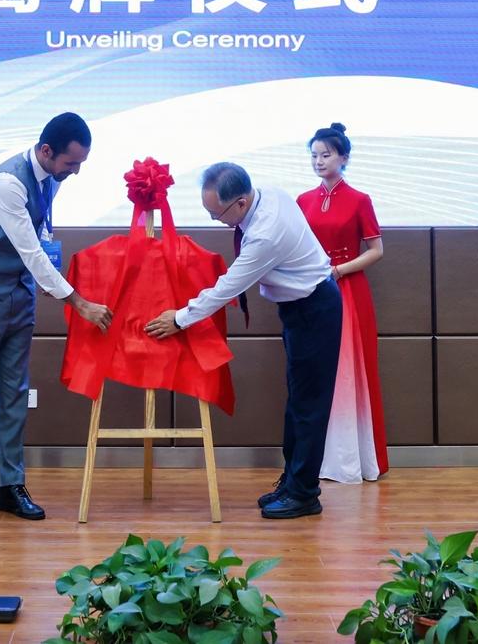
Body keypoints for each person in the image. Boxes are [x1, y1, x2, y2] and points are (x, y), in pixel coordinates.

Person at [145, 162, 341, 520]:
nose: (215, 220)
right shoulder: (269, 196)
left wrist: (179, 318)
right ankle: (292, 482)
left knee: (309, 405)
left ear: (240, 202)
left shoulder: (265, 233)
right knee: (297, 401)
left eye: (216, 214)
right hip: (301, 308)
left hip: (315, 309)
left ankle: (304, 494)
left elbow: (228, 287)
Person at [0, 112, 113, 528]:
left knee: (15, 394)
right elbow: (31, 251)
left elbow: (41, 238)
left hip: (19, 294)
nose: (75, 172)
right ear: (46, 151)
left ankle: (10, 486)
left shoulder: (51, 178)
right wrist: (79, 303)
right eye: (71, 163)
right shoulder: (7, 182)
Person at [297, 123, 387, 484]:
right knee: (315, 370)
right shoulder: (302, 200)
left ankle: (351, 459)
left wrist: (339, 270)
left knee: (348, 370)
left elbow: (377, 250)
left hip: (347, 289)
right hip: (310, 289)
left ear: (344, 158)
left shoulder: (359, 199)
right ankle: (314, 460)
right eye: (314, 155)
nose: (319, 161)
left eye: (326, 155)